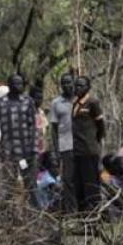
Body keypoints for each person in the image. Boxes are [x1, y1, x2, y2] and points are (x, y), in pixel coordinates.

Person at [0, 74, 38, 211]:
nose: (19, 86)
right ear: (9, 85)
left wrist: (33, 149)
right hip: (7, 152)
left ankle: (32, 215)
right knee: (5, 185)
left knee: (29, 185)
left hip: (26, 152)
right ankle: (4, 215)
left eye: (21, 83)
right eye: (16, 83)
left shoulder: (28, 102)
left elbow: (34, 126)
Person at [72, 75, 106, 214]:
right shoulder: (75, 103)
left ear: (88, 88)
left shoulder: (92, 102)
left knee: (91, 185)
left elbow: (101, 126)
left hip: (89, 151)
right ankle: (82, 216)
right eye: (77, 85)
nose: (78, 88)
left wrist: (95, 141)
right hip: (77, 151)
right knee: (79, 186)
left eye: (81, 85)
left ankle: (95, 215)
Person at [48, 73, 76, 211]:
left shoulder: (79, 100)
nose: (67, 85)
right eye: (64, 83)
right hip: (65, 146)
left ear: (73, 82)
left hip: (82, 146)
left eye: (69, 82)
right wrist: (56, 149)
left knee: (82, 178)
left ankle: (85, 210)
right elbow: (53, 129)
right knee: (68, 180)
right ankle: (71, 211)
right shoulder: (56, 103)